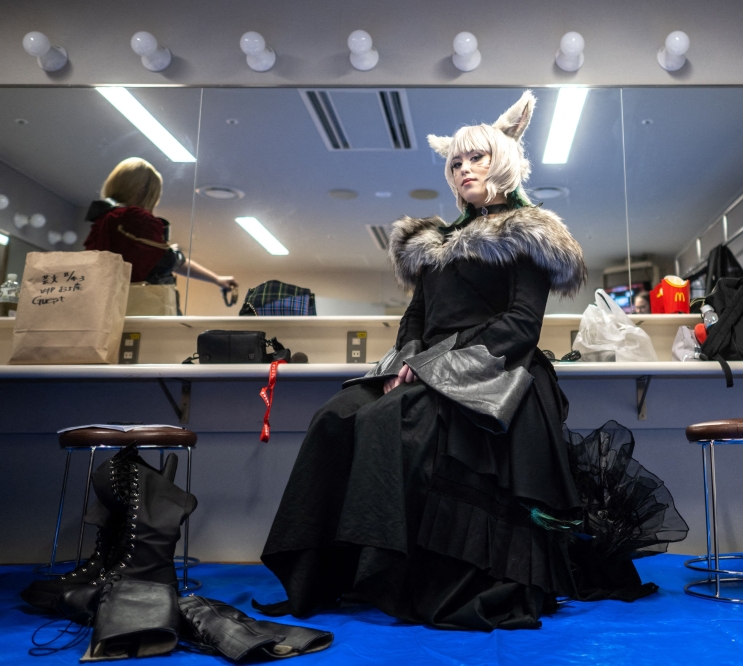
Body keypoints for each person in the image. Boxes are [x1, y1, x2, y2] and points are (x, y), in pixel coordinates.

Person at [258, 92, 687, 630]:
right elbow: (414, 318)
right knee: (334, 417)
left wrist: (435, 369)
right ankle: (322, 577)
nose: (464, 169)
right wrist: (404, 364)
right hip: (422, 366)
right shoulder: (435, 241)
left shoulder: (528, 232)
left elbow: (522, 326)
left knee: (390, 424)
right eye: (456, 162)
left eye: (476, 158)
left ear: (503, 161)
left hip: (493, 370)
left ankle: (394, 575)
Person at [83, 157, 237, 300]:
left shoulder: (103, 219)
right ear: (144, 190)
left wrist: (215, 279)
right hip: (140, 304)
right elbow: (166, 260)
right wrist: (170, 252)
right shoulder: (135, 218)